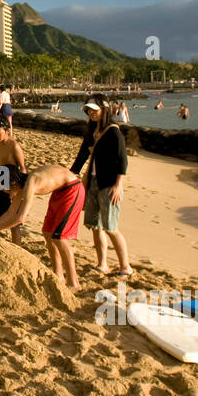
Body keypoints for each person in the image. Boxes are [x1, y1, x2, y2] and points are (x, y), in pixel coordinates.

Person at [0, 164, 86, 288]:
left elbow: (19, 217)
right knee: (47, 233)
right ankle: (58, 274)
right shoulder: (20, 186)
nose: (7, 193)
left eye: (6, 190)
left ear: (12, 183)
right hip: (59, 191)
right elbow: (10, 213)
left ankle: (73, 282)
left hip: (72, 189)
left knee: (59, 237)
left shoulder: (31, 182)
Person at [69, 95, 132, 278]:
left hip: (109, 184)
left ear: (104, 110)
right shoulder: (91, 131)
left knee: (110, 227)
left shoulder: (113, 132)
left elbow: (122, 160)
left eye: (94, 110)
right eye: (88, 110)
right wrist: (71, 175)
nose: (91, 113)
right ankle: (102, 264)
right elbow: (82, 156)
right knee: (95, 225)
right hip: (92, 183)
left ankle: (125, 266)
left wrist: (118, 185)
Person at [0, 117, 27, 242]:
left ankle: (17, 247)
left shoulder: (14, 145)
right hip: (0, 179)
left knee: (13, 223)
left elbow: (23, 168)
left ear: (7, 131)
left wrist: (18, 192)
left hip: (13, 181)